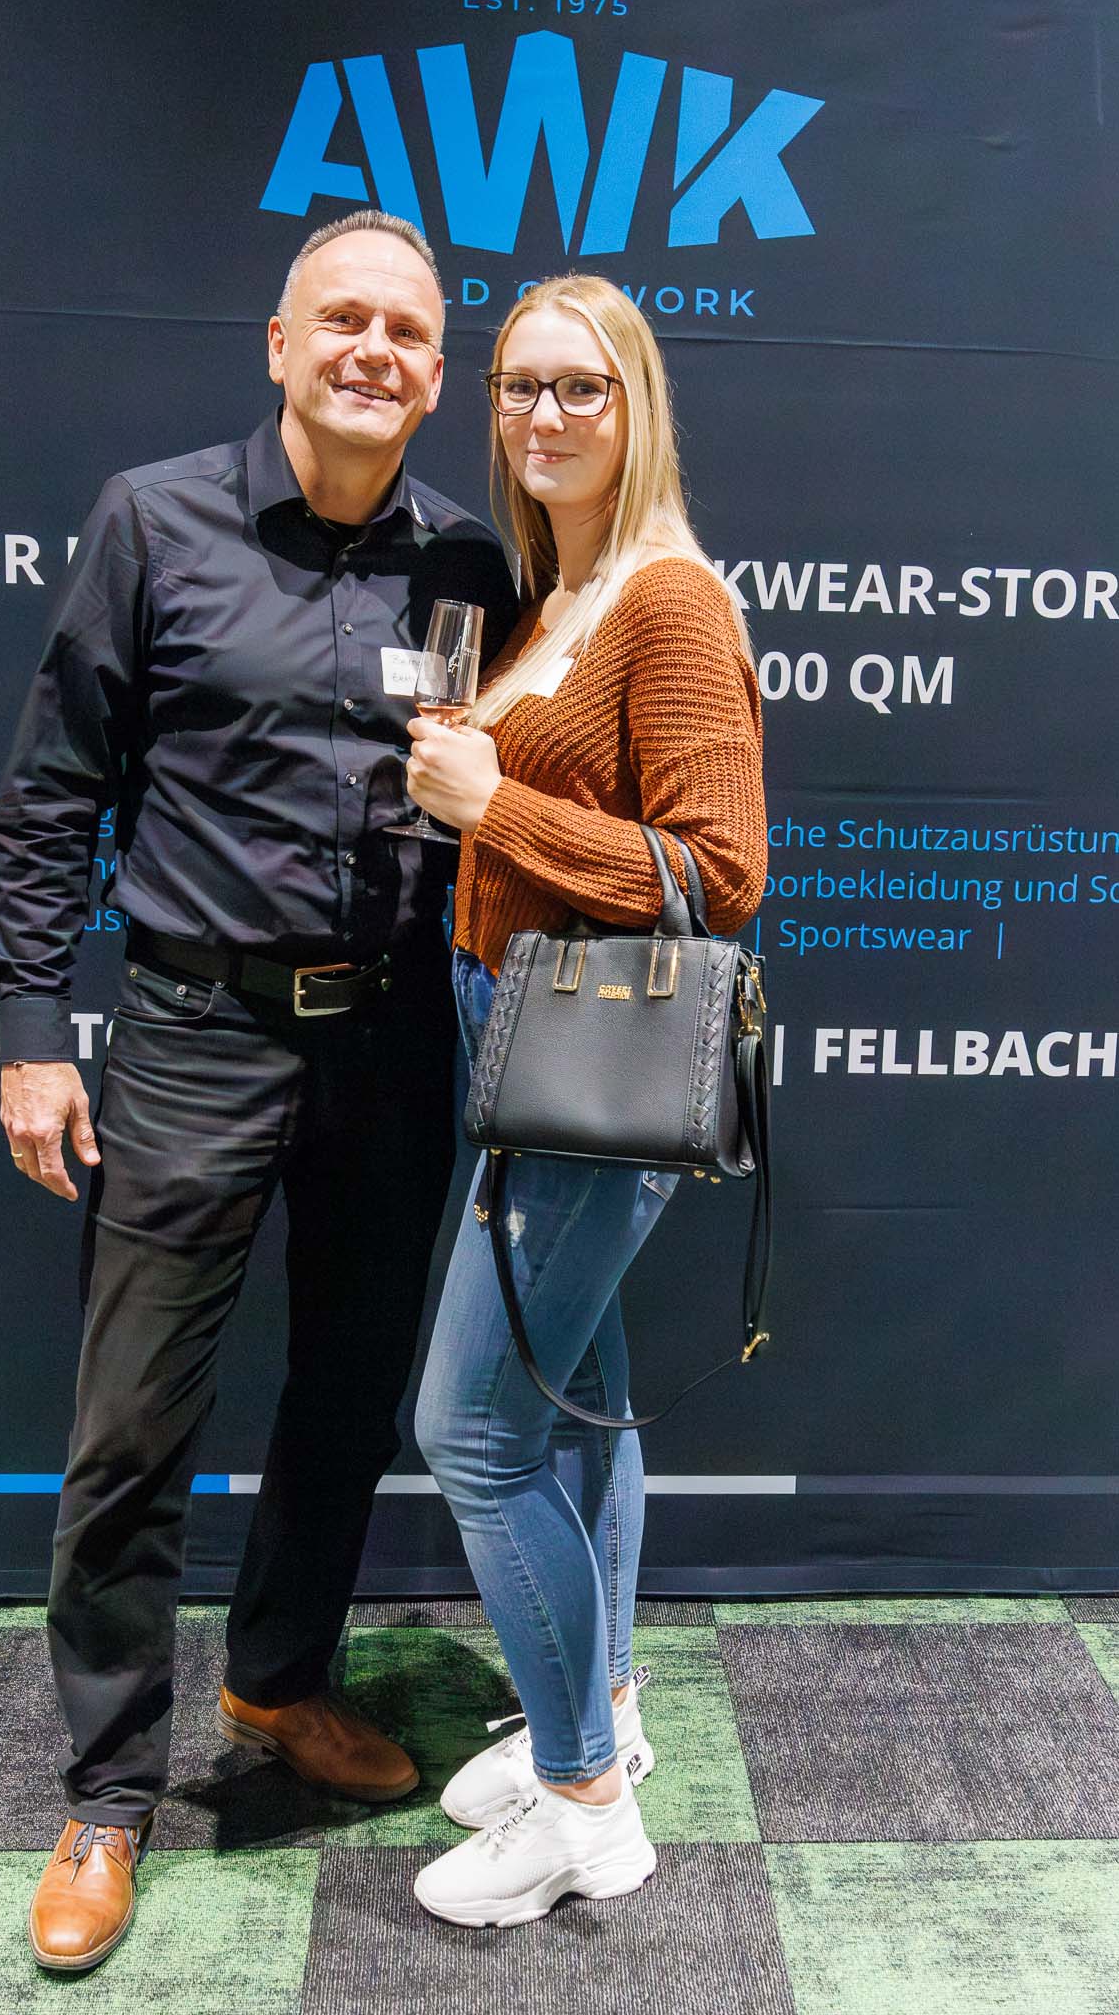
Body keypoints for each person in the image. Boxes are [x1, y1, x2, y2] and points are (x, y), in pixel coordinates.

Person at [0, 209, 519, 1973]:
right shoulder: (156, 520)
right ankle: (107, 1792)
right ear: (280, 345)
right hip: (195, 1033)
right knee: (134, 1420)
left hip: (394, 1041)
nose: (375, 351)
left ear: (435, 378)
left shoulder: (468, 559)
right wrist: (34, 1031)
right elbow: (53, 794)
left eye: (408, 333)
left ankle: (279, 1681)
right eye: (341, 319)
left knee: (348, 1396)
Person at [404, 274, 767, 1928]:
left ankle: (581, 1812)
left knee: (474, 1434)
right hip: (521, 1052)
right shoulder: (555, 593)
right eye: (519, 386)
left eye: (580, 388)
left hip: (593, 1070)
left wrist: (495, 807)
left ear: (636, 407)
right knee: (575, 1408)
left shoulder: (664, 602)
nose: (542, 416)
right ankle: (603, 1710)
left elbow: (716, 874)